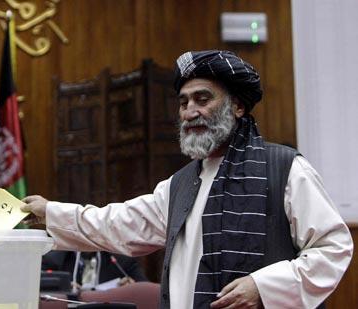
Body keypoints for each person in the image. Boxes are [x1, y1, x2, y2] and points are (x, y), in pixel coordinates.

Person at [22, 50, 353, 309]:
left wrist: (263, 287)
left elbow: (333, 248)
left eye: (203, 99)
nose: (190, 111)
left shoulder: (284, 168)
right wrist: (51, 212)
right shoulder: (180, 185)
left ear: (237, 106)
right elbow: (119, 224)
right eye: (183, 102)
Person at [42, 250, 148, 290]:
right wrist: (63, 289)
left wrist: (133, 287)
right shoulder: (54, 260)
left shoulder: (122, 260)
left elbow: (146, 289)